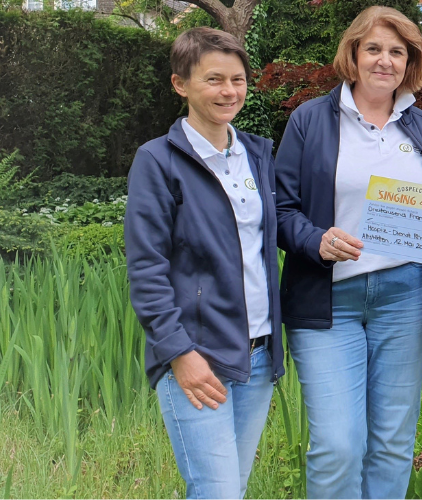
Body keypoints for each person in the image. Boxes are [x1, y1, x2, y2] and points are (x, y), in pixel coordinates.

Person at [273, 6, 422, 499]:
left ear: (410, 62)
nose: (385, 61)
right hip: (327, 300)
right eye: (374, 49)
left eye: (397, 52)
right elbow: (280, 208)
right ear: (353, 55)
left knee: (393, 442)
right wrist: (315, 240)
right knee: (338, 444)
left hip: (405, 296)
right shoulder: (309, 120)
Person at [124, 27, 284, 499]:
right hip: (197, 357)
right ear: (181, 85)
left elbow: (272, 238)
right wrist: (180, 354)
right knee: (216, 493)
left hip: (258, 355)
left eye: (238, 80)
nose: (229, 91)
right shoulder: (158, 161)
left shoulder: (256, 153)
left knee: (229, 488)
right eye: (214, 80)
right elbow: (146, 268)